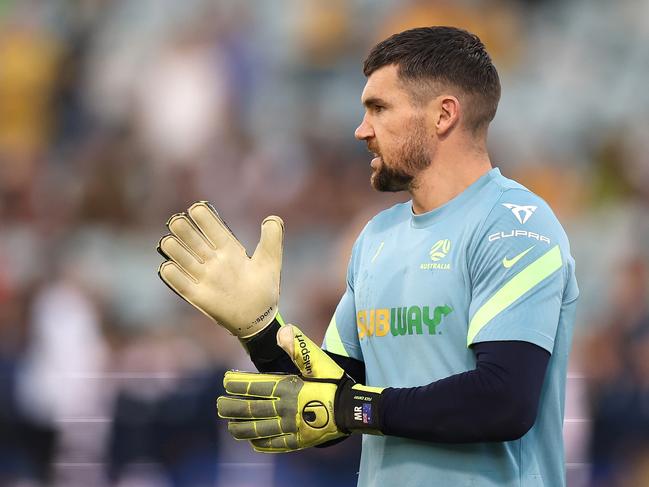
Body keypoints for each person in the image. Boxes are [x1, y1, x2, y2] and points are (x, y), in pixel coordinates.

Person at [157, 26, 578, 487]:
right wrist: (262, 331)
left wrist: (353, 408)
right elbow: (327, 409)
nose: (361, 130)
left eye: (379, 108)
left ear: (443, 115)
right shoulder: (377, 238)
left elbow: (503, 402)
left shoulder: (514, 224)